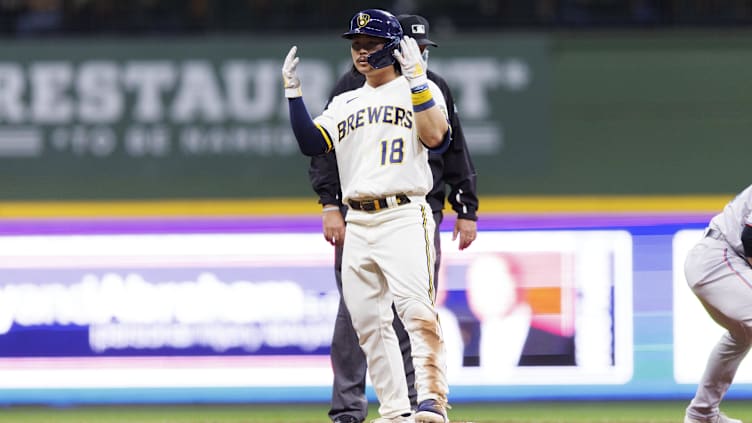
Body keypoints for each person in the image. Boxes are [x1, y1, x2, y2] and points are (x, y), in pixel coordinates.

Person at [283, 8, 452, 423]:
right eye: (356, 44)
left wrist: (415, 81)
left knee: (415, 309)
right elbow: (312, 143)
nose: (361, 52)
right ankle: (395, 411)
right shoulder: (345, 100)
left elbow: (437, 139)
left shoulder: (422, 88)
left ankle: (432, 402)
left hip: (403, 213)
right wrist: (293, 94)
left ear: (393, 48)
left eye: (371, 45)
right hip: (357, 219)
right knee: (369, 324)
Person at [682, 184, 752, 423]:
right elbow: (750, 239)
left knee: (741, 336)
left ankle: (702, 414)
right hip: (719, 258)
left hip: (726, 261)